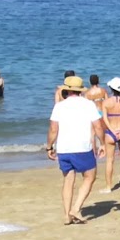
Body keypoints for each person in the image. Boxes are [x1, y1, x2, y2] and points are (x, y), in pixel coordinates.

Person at [46, 75, 103, 225]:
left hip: (63, 148)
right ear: (80, 90)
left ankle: (67, 215)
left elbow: (53, 129)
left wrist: (49, 146)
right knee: (90, 176)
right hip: (82, 147)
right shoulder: (88, 104)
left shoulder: (59, 106)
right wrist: (102, 143)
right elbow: (97, 126)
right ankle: (75, 208)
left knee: (68, 180)